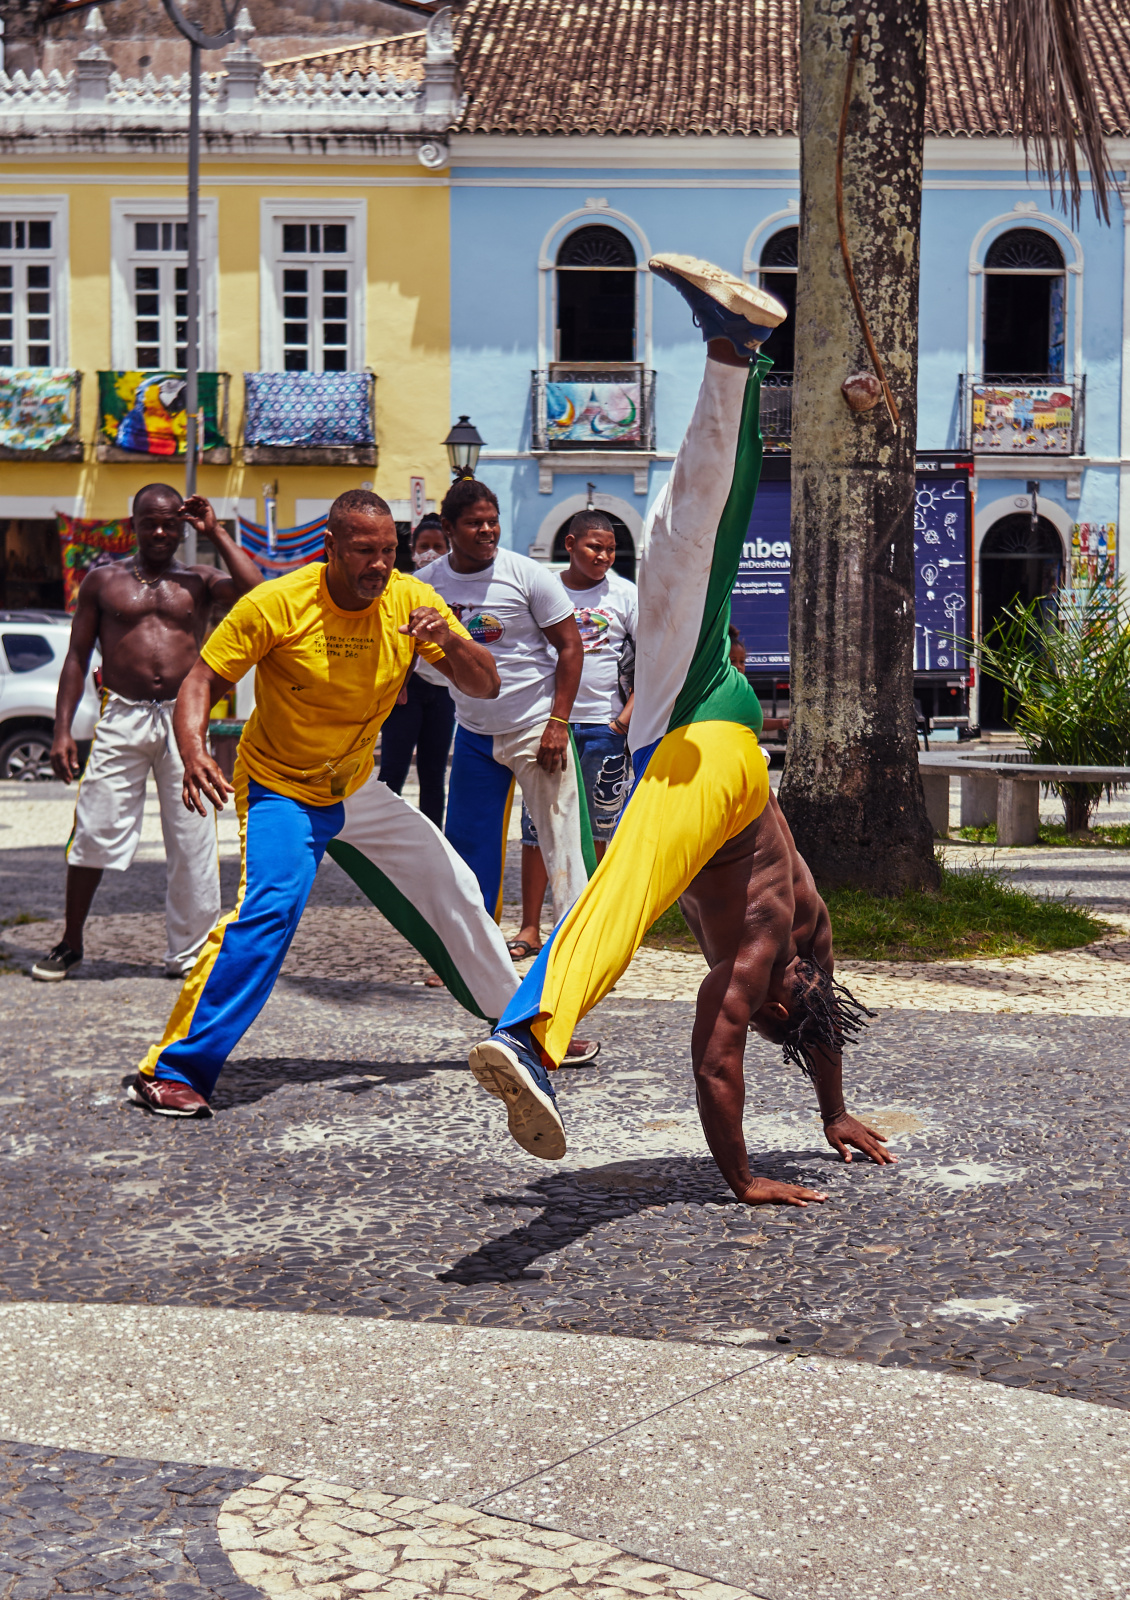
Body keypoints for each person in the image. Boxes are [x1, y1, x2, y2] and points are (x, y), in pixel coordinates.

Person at [467, 254, 892, 1193]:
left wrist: (832, 1109)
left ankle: (736, 353)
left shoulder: (809, 946)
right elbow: (715, 1064)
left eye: (787, 998)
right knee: (620, 890)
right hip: (711, 764)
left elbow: (813, 1025)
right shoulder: (767, 949)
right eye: (787, 994)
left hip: (701, 721)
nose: (774, 993)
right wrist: (741, 1178)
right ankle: (537, 1035)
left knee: (687, 550)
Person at [129, 488, 521, 1117]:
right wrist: (195, 749)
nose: (380, 565)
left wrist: (449, 637)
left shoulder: (413, 600)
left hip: (356, 784)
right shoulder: (278, 604)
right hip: (283, 786)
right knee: (269, 913)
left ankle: (521, 1027)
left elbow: (486, 682)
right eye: (365, 551)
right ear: (330, 547)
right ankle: (174, 1068)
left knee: (451, 880)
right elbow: (201, 681)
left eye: (389, 551)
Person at [32, 486, 262, 983]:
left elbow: (254, 591)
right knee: (95, 827)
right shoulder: (103, 581)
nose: (159, 532)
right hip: (122, 715)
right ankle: (70, 943)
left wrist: (216, 531)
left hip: (185, 718)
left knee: (193, 834)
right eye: (149, 523)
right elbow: (76, 657)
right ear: (132, 524)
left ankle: (192, 953)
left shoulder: (198, 579)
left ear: (181, 527)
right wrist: (62, 730)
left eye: (168, 524)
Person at [425, 479, 592, 931]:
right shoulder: (426, 585)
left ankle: (576, 957)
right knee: (467, 845)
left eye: (492, 522)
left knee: (562, 845)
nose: (486, 531)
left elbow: (571, 648)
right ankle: (474, 951)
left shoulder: (527, 575)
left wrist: (558, 722)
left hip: (537, 727)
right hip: (475, 732)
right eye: (474, 523)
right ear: (448, 528)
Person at [513, 510, 637, 958]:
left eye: (609, 549)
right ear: (569, 544)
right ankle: (530, 928)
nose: (603, 556)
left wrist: (622, 721)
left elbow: (651, 660)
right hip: (548, 727)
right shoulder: (543, 589)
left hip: (604, 729)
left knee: (600, 828)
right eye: (594, 547)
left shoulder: (626, 595)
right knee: (537, 826)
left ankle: (593, 925)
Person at [377, 516, 457, 827]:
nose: (431, 552)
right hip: (408, 689)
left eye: (438, 546)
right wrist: (401, 684)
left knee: (433, 774)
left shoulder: (453, 585)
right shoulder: (406, 588)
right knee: (393, 770)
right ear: (412, 549)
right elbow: (404, 638)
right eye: (424, 546)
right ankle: (382, 836)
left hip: (444, 691)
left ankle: (432, 840)